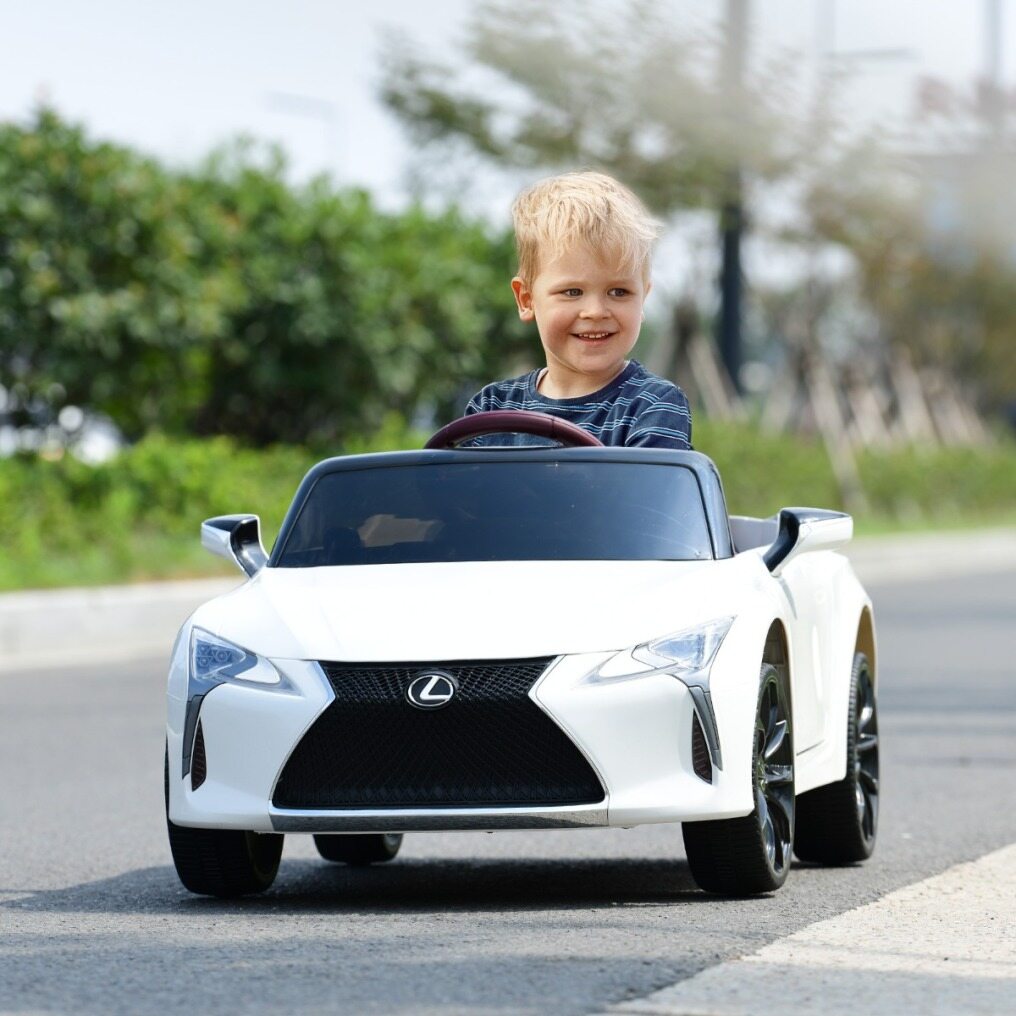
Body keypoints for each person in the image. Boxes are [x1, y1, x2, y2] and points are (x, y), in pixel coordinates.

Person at [463, 171, 692, 448]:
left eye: (618, 292)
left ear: (642, 299)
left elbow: (647, 478)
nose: (595, 312)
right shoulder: (492, 409)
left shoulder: (654, 405)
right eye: (572, 292)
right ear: (526, 299)